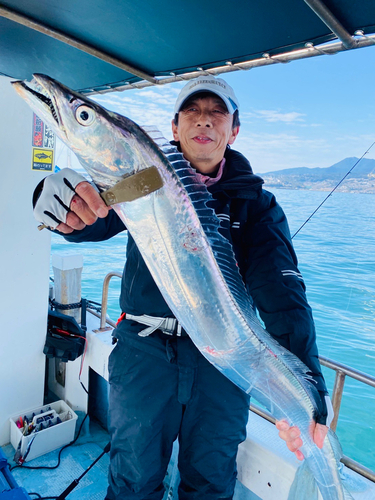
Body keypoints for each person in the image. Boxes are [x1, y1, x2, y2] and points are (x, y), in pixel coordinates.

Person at [33, 76, 332, 499]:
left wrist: (311, 387)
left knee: (210, 484)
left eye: (217, 113)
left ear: (234, 130)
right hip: (143, 353)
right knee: (132, 482)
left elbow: (284, 298)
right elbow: (91, 219)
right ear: (174, 127)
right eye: (192, 110)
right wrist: (54, 199)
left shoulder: (258, 207)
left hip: (223, 368)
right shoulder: (144, 181)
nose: (204, 121)